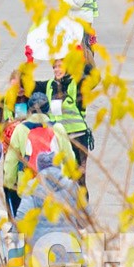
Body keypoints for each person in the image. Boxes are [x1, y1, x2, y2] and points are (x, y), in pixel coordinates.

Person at [46, 58, 93, 192]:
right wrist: (29, 61)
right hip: (59, 137)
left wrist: (79, 56)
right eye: (54, 67)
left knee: (79, 178)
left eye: (60, 66)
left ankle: (83, 210)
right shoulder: (50, 85)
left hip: (78, 136)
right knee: (62, 178)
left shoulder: (76, 83)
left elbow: (92, 75)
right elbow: (27, 85)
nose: (57, 69)